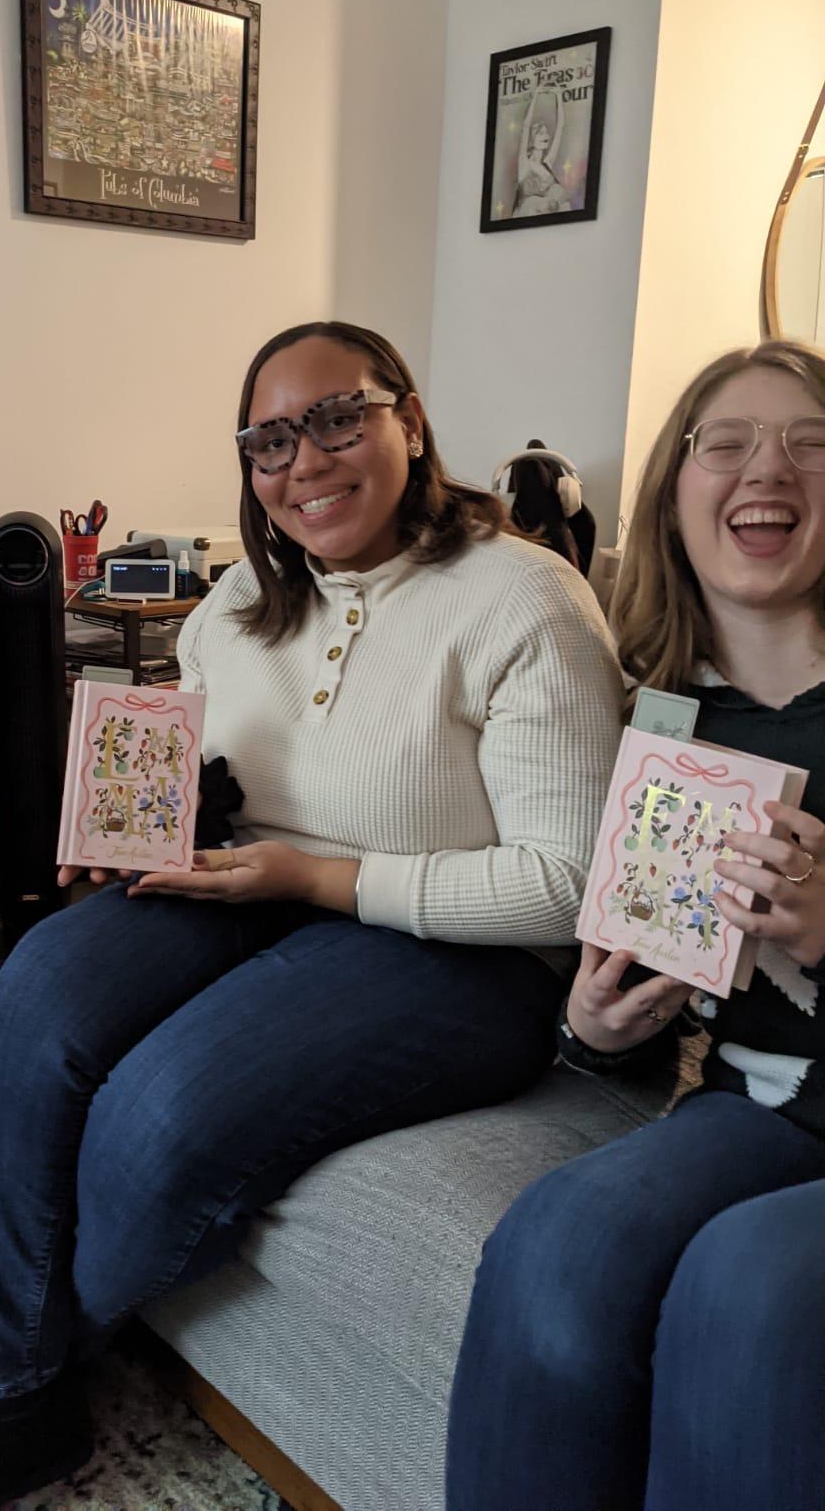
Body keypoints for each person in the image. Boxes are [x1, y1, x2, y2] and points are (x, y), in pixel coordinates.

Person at [0, 320, 624, 1510]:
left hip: (456, 947)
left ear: (407, 417)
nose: (305, 460)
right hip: (243, 885)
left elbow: (563, 882)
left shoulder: (525, 600)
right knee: (41, 984)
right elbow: (190, 763)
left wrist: (311, 878)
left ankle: (15, 1368)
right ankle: (12, 1350)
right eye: (269, 440)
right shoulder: (239, 595)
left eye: (340, 418)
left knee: (167, 1104)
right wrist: (132, 830)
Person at [446, 340, 825, 1511]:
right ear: (676, 491)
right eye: (728, 442)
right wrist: (597, 1026)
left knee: (747, 1287)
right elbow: (656, 1003)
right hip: (767, 1109)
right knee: (554, 1245)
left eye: (812, 443)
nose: (769, 467)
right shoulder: (657, 723)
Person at [512, 81, 572, 218]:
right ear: (531, 140)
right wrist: (536, 95)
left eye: (546, 133)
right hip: (526, 216)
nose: (546, 136)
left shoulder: (547, 162)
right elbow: (526, 126)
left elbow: (560, 127)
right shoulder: (524, 163)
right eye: (541, 133)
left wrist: (558, 96)